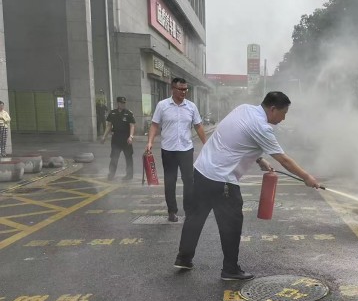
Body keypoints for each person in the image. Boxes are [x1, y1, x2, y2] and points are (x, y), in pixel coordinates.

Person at [174, 91, 320, 280]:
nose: (283, 119)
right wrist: (307, 177)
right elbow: (283, 160)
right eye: (283, 113)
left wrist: (259, 159)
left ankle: (184, 258)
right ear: (273, 109)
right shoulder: (262, 127)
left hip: (202, 171)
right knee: (231, 224)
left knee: (195, 217)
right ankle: (230, 269)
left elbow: (236, 138)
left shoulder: (244, 109)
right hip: (222, 179)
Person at [146, 78, 207, 222]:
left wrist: (206, 144)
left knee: (189, 181)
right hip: (168, 150)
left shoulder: (191, 106)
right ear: (172, 89)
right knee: (170, 181)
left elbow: (198, 126)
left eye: (186, 89)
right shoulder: (162, 105)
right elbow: (154, 125)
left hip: (186, 149)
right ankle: (172, 211)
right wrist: (150, 142)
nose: (184, 92)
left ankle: (189, 210)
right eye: (181, 89)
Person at [101, 96, 135, 181]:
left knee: (128, 158)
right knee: (114, 158)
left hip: (126, 139)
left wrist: (131, 136)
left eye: (124, 103)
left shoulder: (129, 113)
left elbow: (132, 125)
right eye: (121, 103)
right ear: (118, 103)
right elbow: (109, 126)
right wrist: (104, 136)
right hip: (116, 139)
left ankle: (129, 175)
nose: (123, 104)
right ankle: (111, 174)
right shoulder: (112, 113)